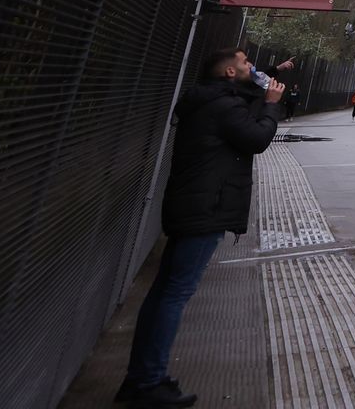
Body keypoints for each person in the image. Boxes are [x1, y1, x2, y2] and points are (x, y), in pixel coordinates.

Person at [116, 49, 286, 406]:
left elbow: (244, 101)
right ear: (228, 72)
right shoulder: (224, 107)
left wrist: (262, 80)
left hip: (191, 203)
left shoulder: (209, 101)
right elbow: (256, 139)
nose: (250, 66)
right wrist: (272, 104)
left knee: (165, 291)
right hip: (205, 208)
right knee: (175, 294)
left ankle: (142, 377)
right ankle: (147, 385)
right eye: (244, 63)